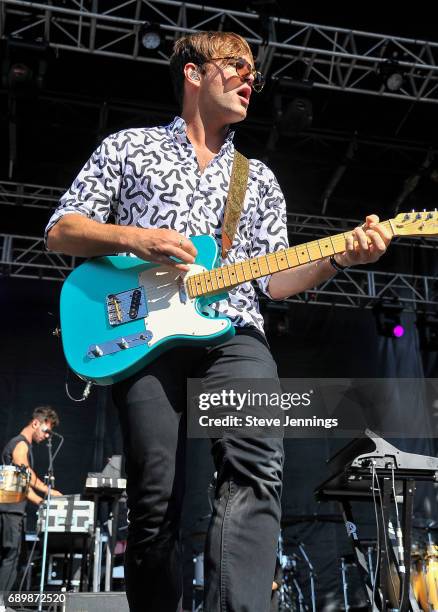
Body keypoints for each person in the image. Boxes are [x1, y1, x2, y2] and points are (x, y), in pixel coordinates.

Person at [44, 31, 391, 611]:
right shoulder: (129, 148)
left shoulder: (257, 181)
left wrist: (338, 256)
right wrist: (136, 237)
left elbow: (274, 281)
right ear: (192, 73)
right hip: (142, 340)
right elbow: (61, 230)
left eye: (254, 71)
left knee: (256, 464)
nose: (249, 78)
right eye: (234, 65)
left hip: (233, 333)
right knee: (156, 500)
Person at [0, 406, 62, 599]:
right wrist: (47, 492)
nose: (46, 437)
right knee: (10, 557)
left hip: (14, 509)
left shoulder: (21, 444)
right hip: (9, 511)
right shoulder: (20, 444)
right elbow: (24, 471)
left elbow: (21, 482)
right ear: (35, 423)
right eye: (45, 431)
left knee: (15, 558)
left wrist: (41, 499)